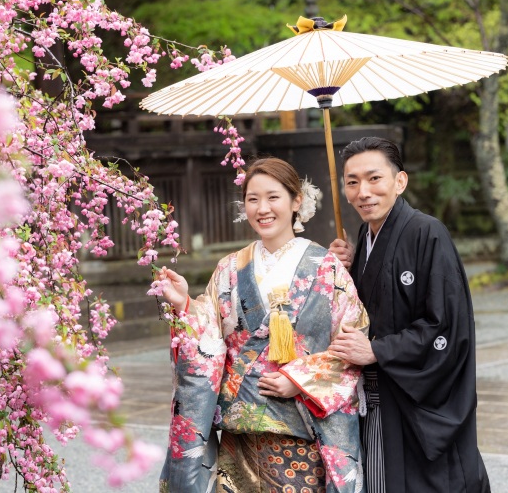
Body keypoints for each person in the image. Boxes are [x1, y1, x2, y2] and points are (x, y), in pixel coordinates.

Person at [156, 157, 369, 493]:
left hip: (301, 430)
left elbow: (354, 339)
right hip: (240, 435)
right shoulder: (229, 269)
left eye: (273, 197)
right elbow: (208, 337)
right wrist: (184, 303)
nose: (262, 208)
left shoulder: (327, 268)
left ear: (296, 201)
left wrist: (299, 381)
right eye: (253, 199)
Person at [327, 137, 490, 493]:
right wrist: (346, 272)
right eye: (352, 182)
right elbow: (367, 311)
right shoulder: (364, 237)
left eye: (374, 179)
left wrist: (377, 351)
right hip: (378, 399)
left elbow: (444, 325)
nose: (363, 192)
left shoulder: (427, 232)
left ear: (399, 182)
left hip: (414, 399)